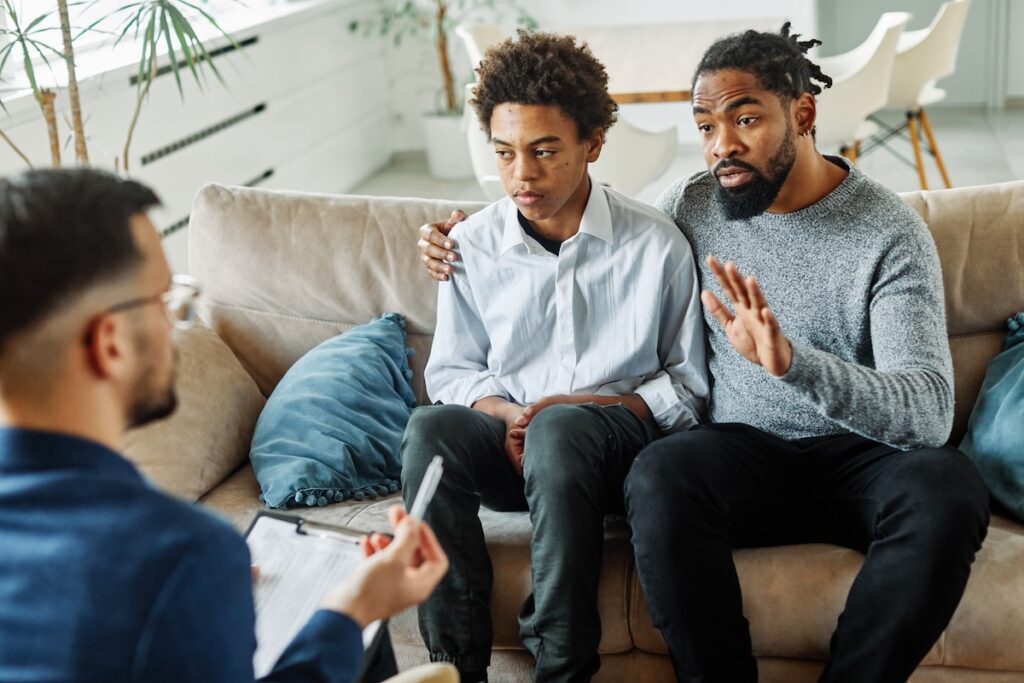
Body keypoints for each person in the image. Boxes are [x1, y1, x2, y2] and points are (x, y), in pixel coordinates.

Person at [416, 24, 990, 683]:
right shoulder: (692, 205)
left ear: (803, 113)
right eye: (706, 126)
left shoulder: (888, 234)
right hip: (740, 455)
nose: (724, 147)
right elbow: (585, 228)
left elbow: (928, 414)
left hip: (862, 460)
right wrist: (468, 234)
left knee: (949, 485)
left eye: (746, 119)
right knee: (660, 474)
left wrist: (792, 363)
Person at [0, 168, 449, 683]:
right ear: (111, 344)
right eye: (166, 303)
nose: (176, 325)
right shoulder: (178, 553)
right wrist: (354, 609)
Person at [400, 31, 708, 683]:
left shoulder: (656, 245)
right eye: (506, 153)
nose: (522, 176)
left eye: (544, 151)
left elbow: (686, 389)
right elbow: (454, 371)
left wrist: (583, 408)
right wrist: (510, 412)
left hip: (613, 453)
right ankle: (454, 665)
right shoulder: (471, 244)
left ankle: (563, 663)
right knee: (430, 427)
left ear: (593, 144)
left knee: (563, 427)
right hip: (513, 446)